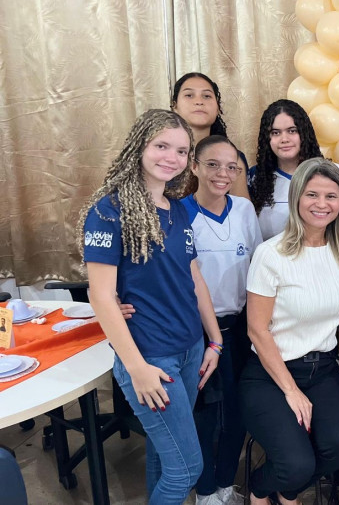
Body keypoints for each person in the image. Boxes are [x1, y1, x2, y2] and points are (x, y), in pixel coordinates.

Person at [79, 109, 223, 504]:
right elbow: (101, 295)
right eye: (162, 146)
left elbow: (194, 278)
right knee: (187, 468)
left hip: (190, 349)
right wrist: (137, 368)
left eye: (181, 151)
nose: (171, 158)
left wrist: (214, 341)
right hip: (151, 356)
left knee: (165, 454)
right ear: (139, 146)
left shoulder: (178, 208)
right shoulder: (108, 211)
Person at [239, 158, 339, 505]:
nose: (322, 204)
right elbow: (257, 330)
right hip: (271, 374)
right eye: (312, 194)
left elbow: (338, 309)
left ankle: (286, 489)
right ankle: (259, 488)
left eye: (331, 196)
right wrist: (291, 391)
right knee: (296, 463)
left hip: (323, 370)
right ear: (297, 197)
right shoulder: (270, 254)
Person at [182, 135, 262, 505]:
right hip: (198, 332)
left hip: (241, 327)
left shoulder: (244, 210)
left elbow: (258, 266)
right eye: (213, 164)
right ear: (194, 166)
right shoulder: (179, 214)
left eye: (232, 167)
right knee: (206, 416)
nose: (223, 174)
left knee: (239, 409)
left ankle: (226, 484)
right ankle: (205, 491)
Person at [248, 99, 339, 243]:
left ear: (304, 133)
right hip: (270, 257)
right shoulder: (255, 177)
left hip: (325, 257)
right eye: (275, 132)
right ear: (267, 138)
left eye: (292, 131)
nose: (284, 139)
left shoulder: (337, 174)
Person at [171, 72, 250, 199]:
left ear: (217, 108)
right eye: (189, 95)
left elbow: (242, 209)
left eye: (207, 96)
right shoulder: (163, 155)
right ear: (175, 106)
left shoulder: (234, 159)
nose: (199, 102)